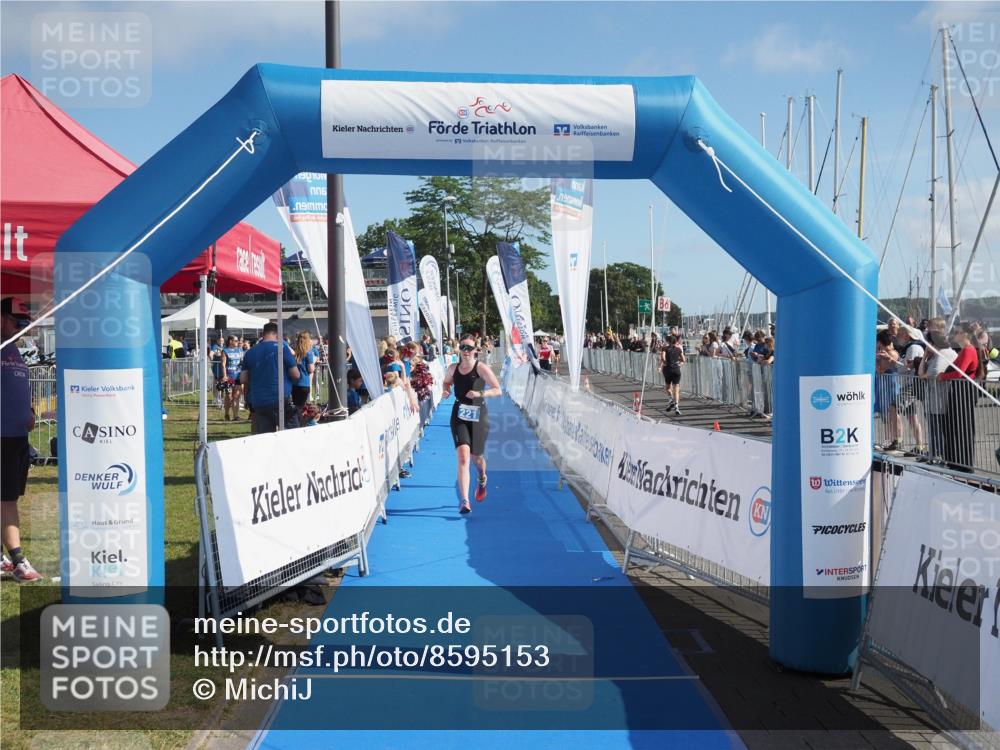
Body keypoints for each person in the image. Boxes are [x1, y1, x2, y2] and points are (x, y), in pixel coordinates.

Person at [1, 297, 42, 581]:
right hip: (2, 437)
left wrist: (29, 411)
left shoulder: (13, 348)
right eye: (18, 323)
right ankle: (18, 561)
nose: (22, 329)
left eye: (26, 323)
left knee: (8, 497)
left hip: (17, 437)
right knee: (6, 500)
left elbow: (18, 387)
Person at [441, 335, 502, 515]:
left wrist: (479, 394)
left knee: (477, 458)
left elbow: (498, 390)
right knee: (463, 457)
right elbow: (446, 382)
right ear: (459, 349)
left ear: (476, 350)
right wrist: (446, 390)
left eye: (469, 348)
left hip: (479, 415)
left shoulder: (481, 368)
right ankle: (465, 500)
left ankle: (482, 478)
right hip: (459, 414)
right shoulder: (453, 368)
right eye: (463, 347)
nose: (466, 351)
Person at [239, 323, 300, 434]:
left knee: (265, 437)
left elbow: (242, 379)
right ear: (277, 334)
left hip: (259, 400)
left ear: (263, 334)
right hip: (280, 398)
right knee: (291, 434)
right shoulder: (282, 349)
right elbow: (296, 374)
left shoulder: (250, 352)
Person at [939, 329, 981, 472]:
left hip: (964, 392)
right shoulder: (965, 350)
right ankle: (956, 460)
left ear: (964, 334)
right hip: (959, 391)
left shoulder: (968, 350)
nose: (954, 334)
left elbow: (959, 372)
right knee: (955, 425)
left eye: (957, 332)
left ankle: (964, 462)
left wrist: (942, 376)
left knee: (962, 425)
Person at [292, 331, 316, 420]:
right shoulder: (308, 353)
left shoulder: (295, 353)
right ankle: (300, 423)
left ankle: (297, 422)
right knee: (303, 408)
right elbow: (311, 369)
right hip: (304, 384)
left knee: (296, 406)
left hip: (295, 384)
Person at [660, 334, 686, 415]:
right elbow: (683, 359)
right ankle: (677, 406)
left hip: (668, 369)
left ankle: (671, 400)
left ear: (668, 341)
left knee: (668, 388)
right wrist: (676, 359)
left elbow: (663, 358)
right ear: (675, 341)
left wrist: (667, 362)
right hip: (676, 369)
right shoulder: (678, 349)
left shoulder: (665, 348)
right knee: (676, 389)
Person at [220, 336, 244, 421]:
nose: (238, 342)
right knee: (229, 396)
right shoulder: (225, 351)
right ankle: (226, 414)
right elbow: (223, 364)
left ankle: (236, 416)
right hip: (229, 377)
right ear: (230, 341)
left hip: (237, 376)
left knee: (236, 395)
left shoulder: (240, 350)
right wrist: (224, 376)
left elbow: (242, 361)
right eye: (236, 340)